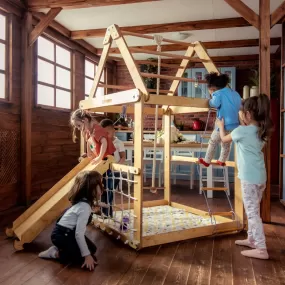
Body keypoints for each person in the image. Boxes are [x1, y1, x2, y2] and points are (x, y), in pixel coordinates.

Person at [216, 94, 273, 260]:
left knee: (253, 213)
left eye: (241, 112)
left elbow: (223, 139)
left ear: (247, 114)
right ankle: (252, 239)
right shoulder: (261, 132)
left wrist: (220, 125)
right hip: (260, 177)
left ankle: (261, 249)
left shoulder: (241, 131)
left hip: (249, 178)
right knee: (253, 208)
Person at [38, 171, 104, 270]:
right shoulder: (85, 207)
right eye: (100, 184)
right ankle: (54, 253)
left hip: (68, 233)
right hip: (61, 235)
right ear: (92, 189)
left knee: (92, 249)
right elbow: (79, 234)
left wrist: (97, 206)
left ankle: (65, 249)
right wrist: (86, 256)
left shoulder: (85, 201)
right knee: (83, 257)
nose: (103, 186)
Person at [199, 72, 241, 167]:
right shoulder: (234, 93)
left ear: (213, 88)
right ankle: (222, 160)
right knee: (226, 143)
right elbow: (239, 105)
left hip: (223, 124)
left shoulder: (217, 94)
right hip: (234, 124)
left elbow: (215, 104)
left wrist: (210, 100)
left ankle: (207, 160)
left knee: (213, 141)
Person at [100, 119, 126, 216]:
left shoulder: (118, 143)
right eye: (103, 133)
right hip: (104, 170)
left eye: (108, 132)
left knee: (109, 191)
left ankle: (107, 213)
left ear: (113, 130)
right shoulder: (102, 143)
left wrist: (117, 165)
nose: (106, 135)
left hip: (114, 171)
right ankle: (103, 212)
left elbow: (123, 157)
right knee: (103, 191)